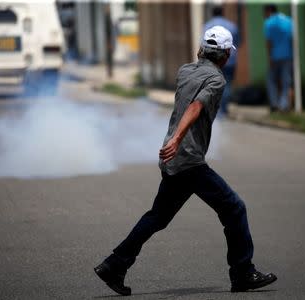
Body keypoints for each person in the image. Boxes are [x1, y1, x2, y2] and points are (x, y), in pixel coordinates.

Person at [94, 26, 277, 296]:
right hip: (188, 160)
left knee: (157, 217)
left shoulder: (184, 71)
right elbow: (195, 107)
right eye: (228, 54)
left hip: (174, 159)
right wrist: (179, 138)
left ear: (202, 49)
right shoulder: (217, 80)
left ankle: (114, 265)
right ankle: (242, 272)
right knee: (234, 208)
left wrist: (174, 142)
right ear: (225, 56)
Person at [204, 6, 239, 117]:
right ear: (223, 13)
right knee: (227, 84)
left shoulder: (207, 26)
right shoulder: (232, 25)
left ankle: (218, 110)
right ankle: (224, 109)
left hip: (213, 61)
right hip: (230, 59)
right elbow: (237, 42)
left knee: (214, 85)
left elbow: (204, 44)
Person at [263, 4, 293, 112]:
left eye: (265, 13)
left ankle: (274, 104)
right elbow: (292, 39)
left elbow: (269, 42)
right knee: (286, 81)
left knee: (271, 81)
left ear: (269, 11)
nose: (264, 16)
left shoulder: (269, 23)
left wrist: (269, 57)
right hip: (288, 56)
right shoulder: (289, 21)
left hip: (275, 56)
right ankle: (284, 104)